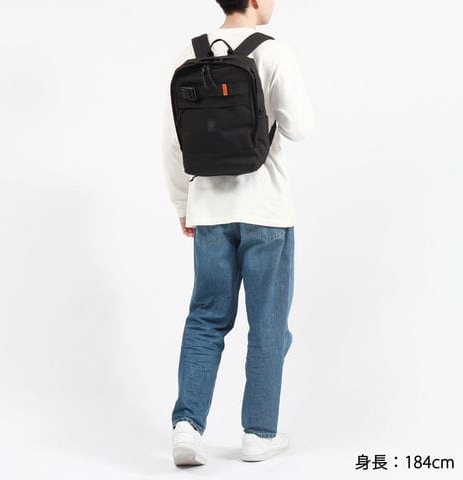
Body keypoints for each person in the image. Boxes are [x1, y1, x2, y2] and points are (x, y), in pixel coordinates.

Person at [162, 0, 315, 466]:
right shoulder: (274, 52)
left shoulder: (189, 55)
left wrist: (183, 204)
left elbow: (174, 142)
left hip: (210, 210)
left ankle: (187, 428)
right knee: (267, 323)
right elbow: (300, 127)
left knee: (206, 319)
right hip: (266, 210)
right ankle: (259, 433)